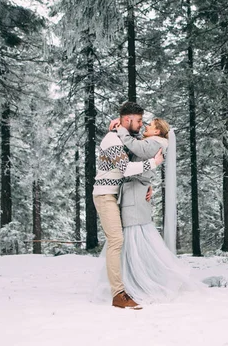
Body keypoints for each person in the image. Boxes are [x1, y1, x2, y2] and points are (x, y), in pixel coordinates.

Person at [110, 114, 202, 304]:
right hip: (136, 190)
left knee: (135, 235)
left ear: (158, 130)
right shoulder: (154, 142)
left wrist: (120, 129)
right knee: (136, 236)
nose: (145, 127)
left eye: (150, 125)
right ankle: (134, 278)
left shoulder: (155, 142)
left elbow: (135, 148)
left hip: (135, 194)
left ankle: (140, 279)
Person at [92, 102, 164, 309]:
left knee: (120, 242)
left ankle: (130, 284)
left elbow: (135, 161)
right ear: (127, 119)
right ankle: (118, 294)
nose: (142, 125)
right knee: (116, 240)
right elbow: (125, 168)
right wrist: (153, 163)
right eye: (139, 120)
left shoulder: (123, 137)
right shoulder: (111, 139)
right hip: (105, 195)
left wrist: (148, 184)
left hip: (117, 196)